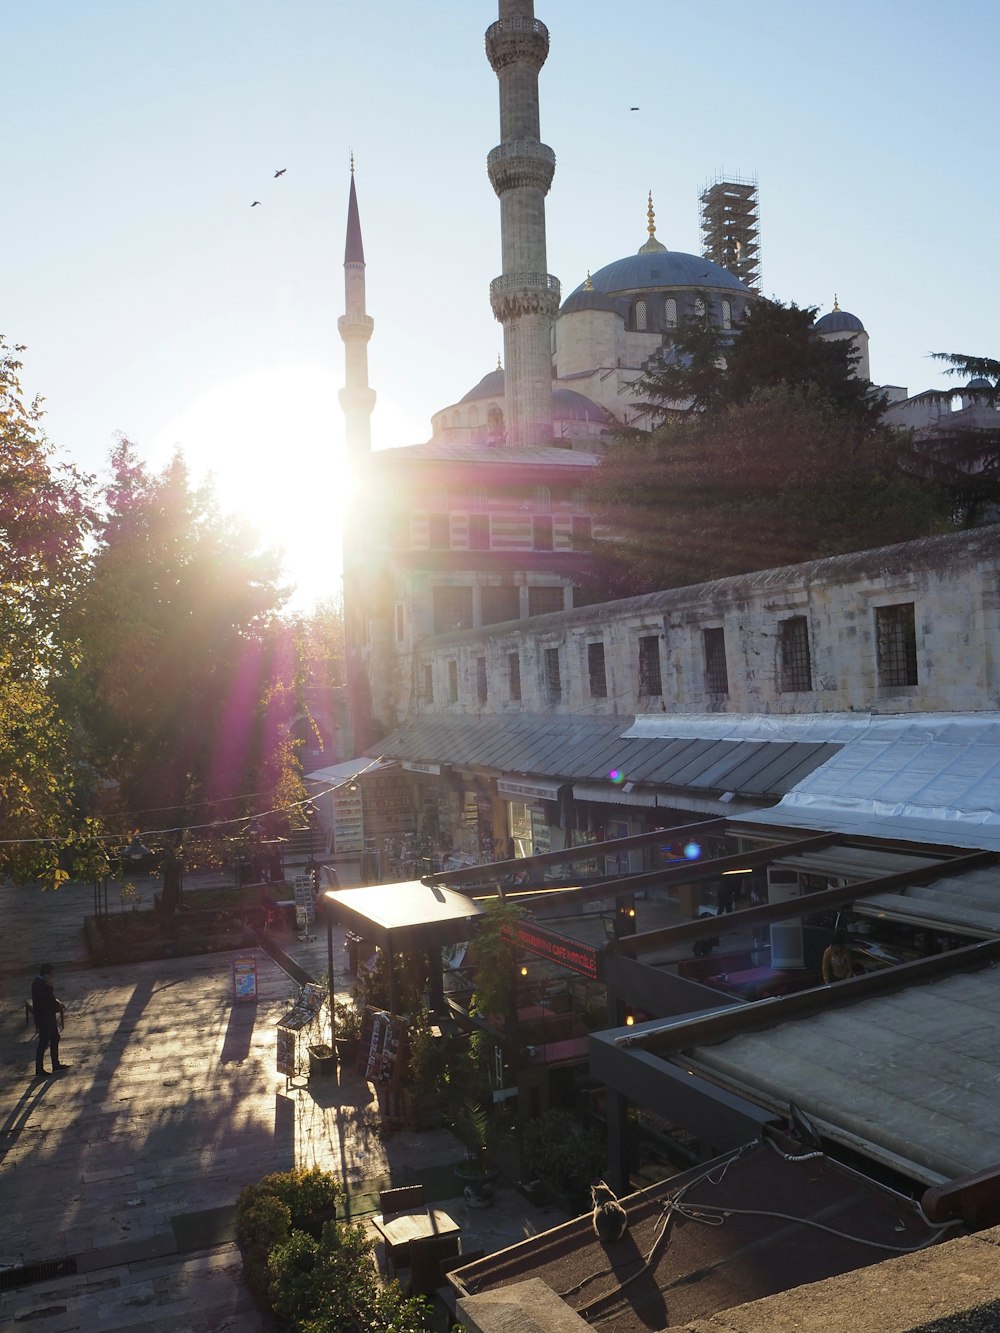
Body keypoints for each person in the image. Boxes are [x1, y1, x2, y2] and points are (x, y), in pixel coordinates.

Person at [31, 962, 67, 1077]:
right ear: (46, 974)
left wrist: (57, 1003)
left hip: (49, 1016)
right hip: (44, 1018)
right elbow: (45, 1001)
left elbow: (51, 998)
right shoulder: (39, 984)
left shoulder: (42, 983)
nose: (53, 977)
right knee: (43, 1043)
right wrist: (49, 987)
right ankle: (39, 1069)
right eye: (51, 974)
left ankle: (55, 1064)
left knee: (55, 1038)